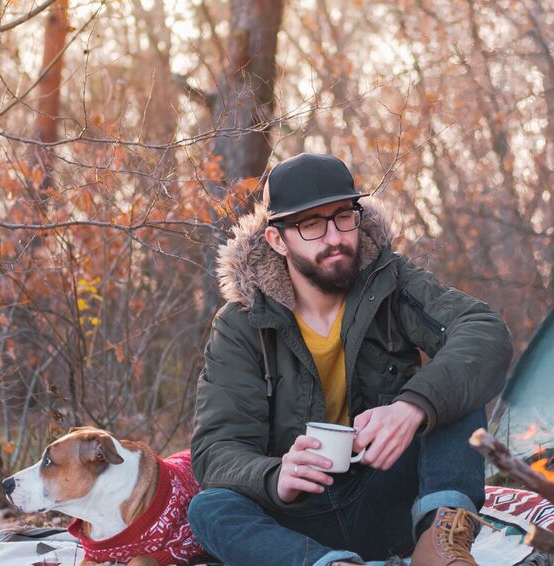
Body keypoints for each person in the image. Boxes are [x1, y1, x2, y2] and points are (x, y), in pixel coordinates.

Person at [187, 153, 513, 566]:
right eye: (311, 224)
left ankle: (439, 546)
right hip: (297, 518)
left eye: (344, 216)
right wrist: (275, 476)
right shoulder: (242, 325)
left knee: (454, 398)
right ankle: (330, 564)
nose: (334, 237)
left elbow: (484, 332)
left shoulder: (392, 282)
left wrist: (412, 407)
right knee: (209, 508)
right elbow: (216, 450)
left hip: (388, 498)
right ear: (277, 239)